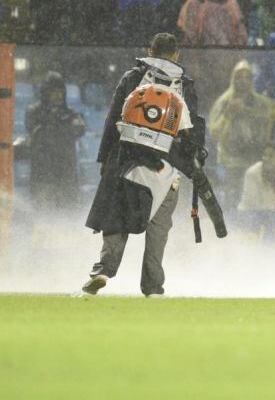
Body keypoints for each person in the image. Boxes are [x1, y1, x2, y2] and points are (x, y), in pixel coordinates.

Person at [82, 34, 201, 297]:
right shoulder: (185, 86)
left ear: (149, 50)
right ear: (176, 54)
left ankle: (104, 269)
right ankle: (153, 286)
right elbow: (192, 133)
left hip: (128, 161)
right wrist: (192, 165)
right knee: (159, 227)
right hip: (166, 168)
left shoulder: (132, 78)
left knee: (118, 217)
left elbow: (114, 119)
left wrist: (105, 160)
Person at [210, 59, 275, 205]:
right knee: (233, 205)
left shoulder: (262, 104)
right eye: (239, 77)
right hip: (232, 165)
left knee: (258, 204)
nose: (243, 81)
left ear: (252, 80)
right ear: (233, 79)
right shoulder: (223, 102)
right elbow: (214, 133)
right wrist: (227, 115)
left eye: (247, 77)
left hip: (258, 163)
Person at [25, 71, 86, 209]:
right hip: (43, 173)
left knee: (68, 215)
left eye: (60, 92)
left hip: (66, 173)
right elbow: (38, 133)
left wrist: (58, 127)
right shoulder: (34, 111)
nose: (58, 96)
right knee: (42, 214)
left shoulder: (71, 113)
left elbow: (79, 129)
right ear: (46, 93)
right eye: (54, 92)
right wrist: (61, 127)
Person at [238, 142, 275, 212]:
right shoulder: (252, 173)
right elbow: (254, 205)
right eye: (264, 155)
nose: (265, 158)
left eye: (271, 156)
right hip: (249, 217)